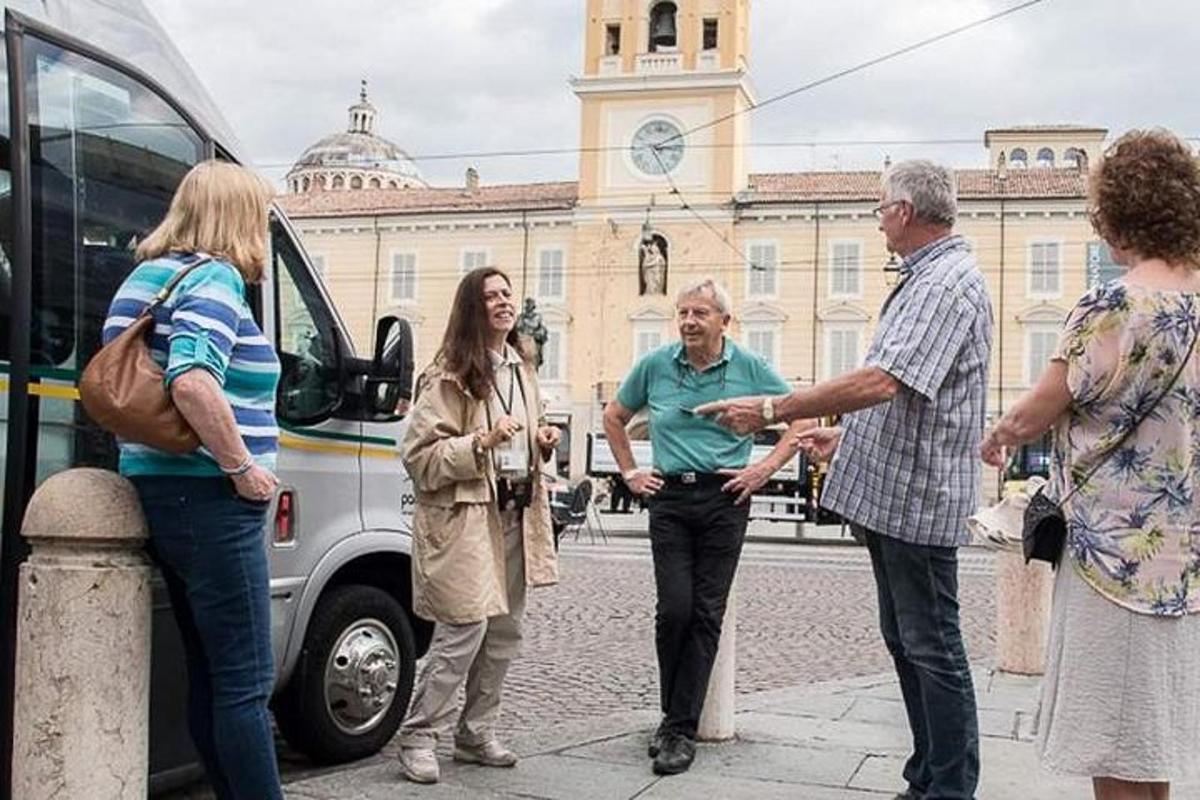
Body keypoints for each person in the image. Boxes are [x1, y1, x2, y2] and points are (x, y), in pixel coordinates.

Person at [698, 160, 991, 800]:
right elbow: (911, 393)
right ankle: (928, 776)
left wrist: (776, 409)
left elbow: (884, 380)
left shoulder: (943, 285)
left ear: (906, 212)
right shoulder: (927, 279)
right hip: (899, 493)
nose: (879, 218)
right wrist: (848, 435)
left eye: (882, 206)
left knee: (933, 645)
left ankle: (948, 788)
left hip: (917, 497)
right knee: (909, 640)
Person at [980, 129, 1200, 800]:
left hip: (1112, 559)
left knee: (1114, 745)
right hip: (1186, 561)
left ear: (1120, 210)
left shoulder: (1111, 309)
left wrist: (999, 435)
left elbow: (1040, 409)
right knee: (1148, 746)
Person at [101, 160, 282, 799]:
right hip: (210, 496)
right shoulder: (215, 280)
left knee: (213, 672)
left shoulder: (147, 278)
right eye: (259, 213)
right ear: (237, 217)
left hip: (164, 488)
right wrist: (243, 469)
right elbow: (191, 379)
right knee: (244, 681)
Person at [603, 277, 812, 776]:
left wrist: (764, 468)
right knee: (673, 609)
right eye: (683, 313)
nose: (689, 322)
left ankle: (678, 728)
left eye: (699, 313)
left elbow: (801, 420)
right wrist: (631, 471)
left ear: (724, 321)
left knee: (705, 613)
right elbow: (615, 416)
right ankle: (673, 719)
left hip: (726, 496)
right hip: (670, 497)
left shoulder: (750, 367)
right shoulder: (655, 365)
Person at [397, 266, 561, 784]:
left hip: (516, 512)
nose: (503, 302)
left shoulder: (521, 366)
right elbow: (419, 457)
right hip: (465, 518)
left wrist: (542, 441)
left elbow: (525, 436)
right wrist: (482, 444)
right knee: (463, 628)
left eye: (507, 293)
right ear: (473, 307)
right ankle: (421, 736)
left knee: (505, 631)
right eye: (491, 296)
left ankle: (475, 733)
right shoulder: (447, 372)